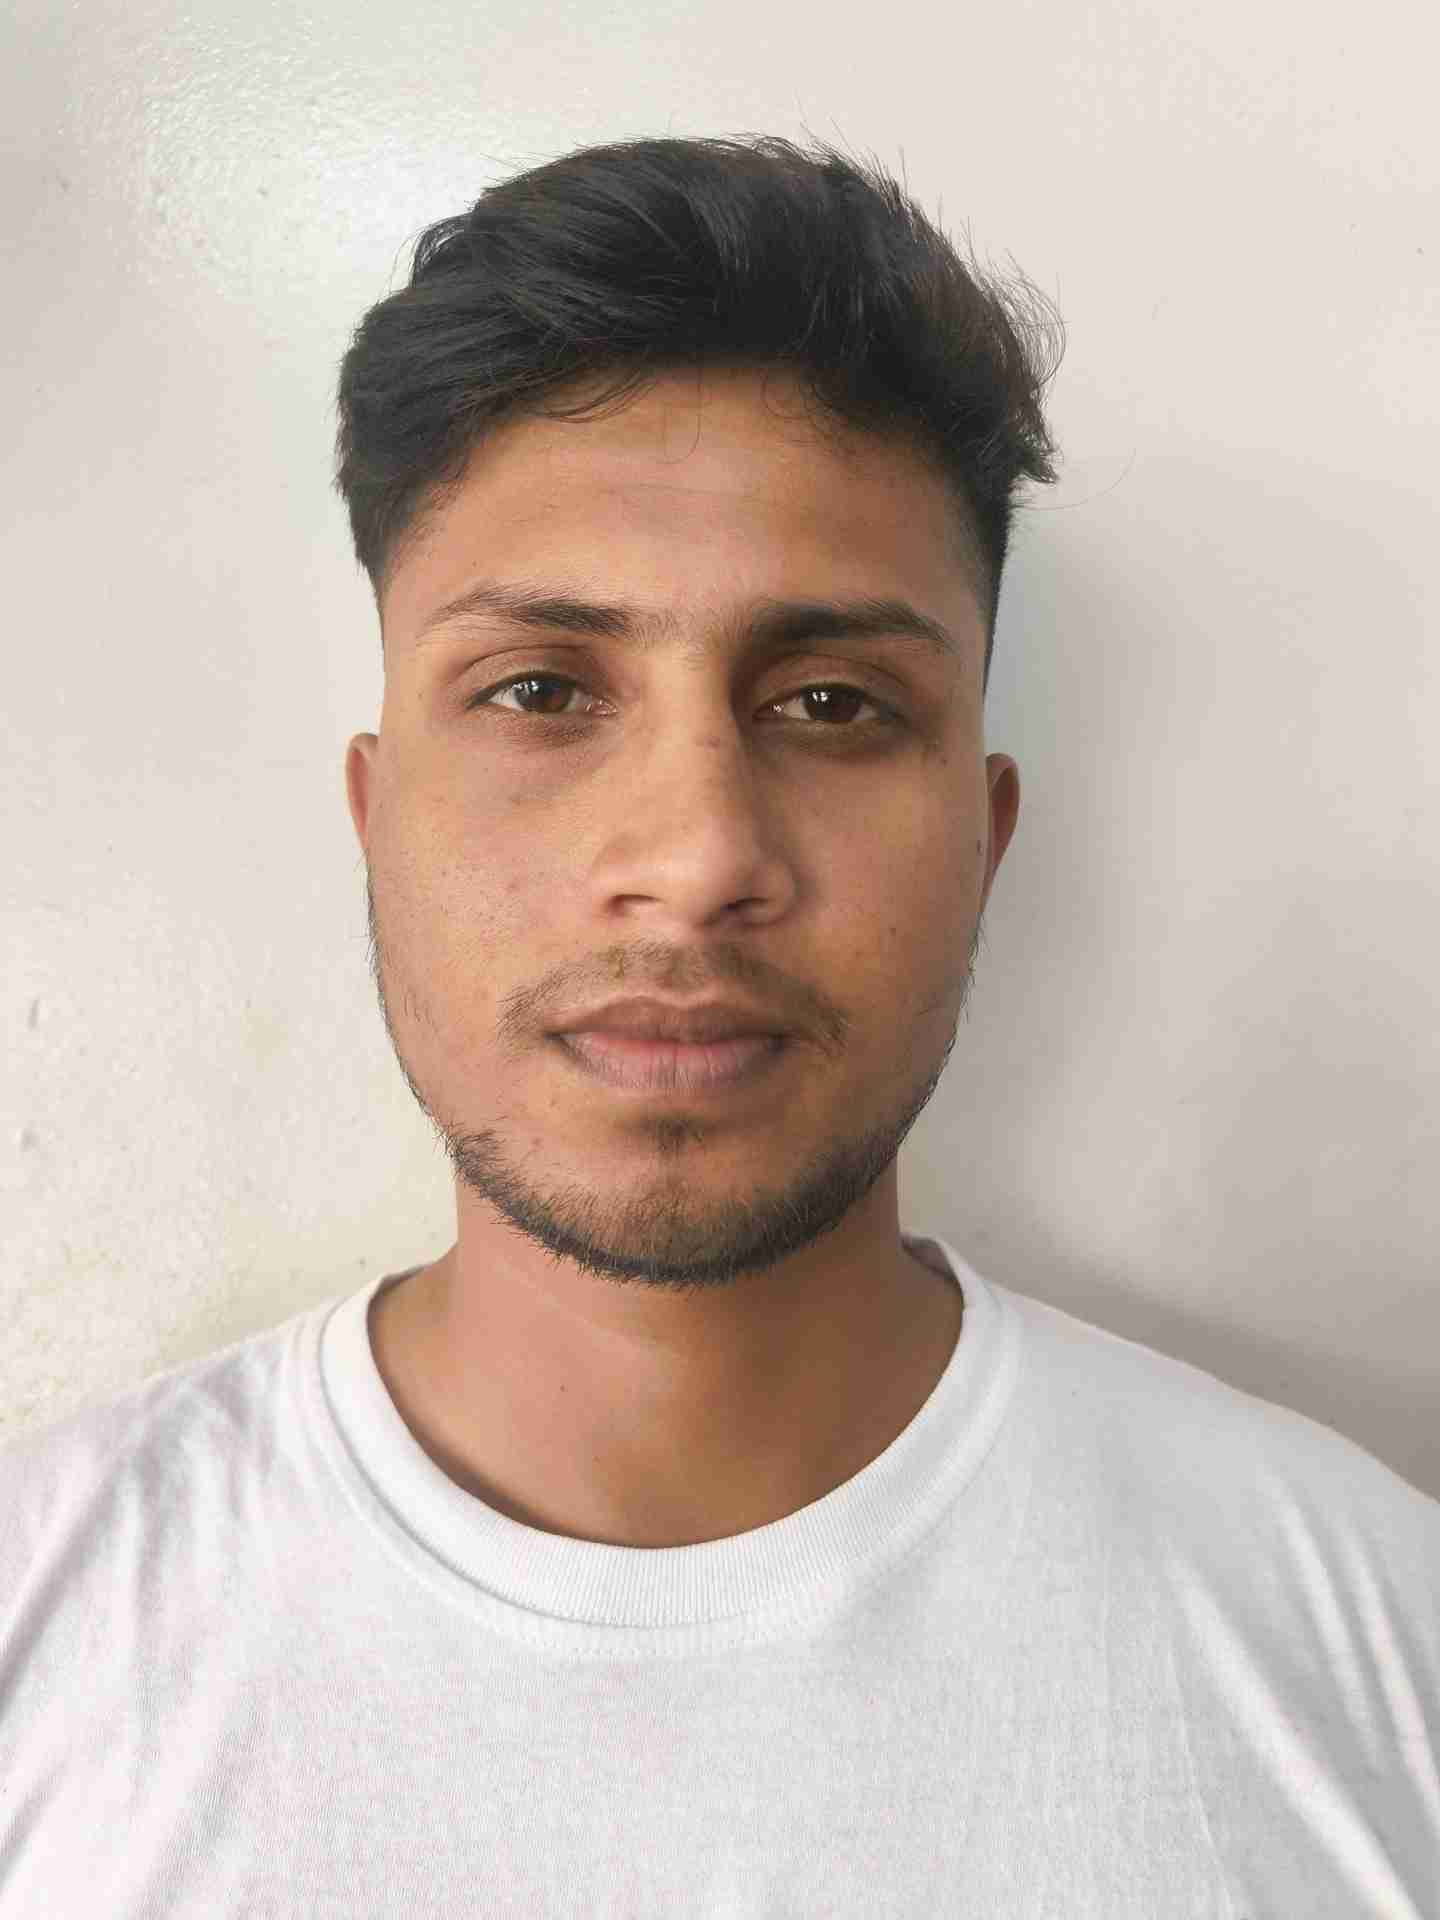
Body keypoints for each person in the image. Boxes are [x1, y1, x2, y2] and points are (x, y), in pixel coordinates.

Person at [2, 134, 1436, 1918]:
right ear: (377, 815)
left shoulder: (1377, 1648)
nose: (693, 863)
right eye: (541, 689)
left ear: (986, 837)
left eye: (832, 704)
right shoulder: (42, 1630)